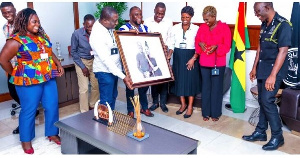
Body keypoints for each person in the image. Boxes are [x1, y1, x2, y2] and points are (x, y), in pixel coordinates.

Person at [0, 8, 64, 154]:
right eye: (34, 21)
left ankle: (52, 133)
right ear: (24, 22)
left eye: (38, 21)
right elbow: (3, 59)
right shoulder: (16, 40)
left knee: (52, 105)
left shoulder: (42, 35)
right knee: (29, 110)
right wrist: (15, 74)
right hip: (28, 82)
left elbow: (49, 51)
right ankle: (26, 141)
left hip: (48, 77)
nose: (37, 24)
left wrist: (58, 64)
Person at [242, 2, 292, 151]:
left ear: (267, 8)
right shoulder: (264, 23)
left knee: (267, 101)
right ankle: (260, 131)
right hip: (262, 69)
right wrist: (254, 67)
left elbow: (283, 51)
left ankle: (278, 136)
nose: (256, 14)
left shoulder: (283, 25)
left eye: (258, 11)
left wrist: (272, 75)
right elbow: (260, 47)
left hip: (274, 71)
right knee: (262, 101)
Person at [90, 7, 130, 112]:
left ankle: (109, 117)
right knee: (106, 100)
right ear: (105, 20)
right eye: (114, 21)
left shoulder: (108, 26)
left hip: (114, 70)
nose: (117, 23)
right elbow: (106, 60)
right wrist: (123, 77)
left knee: (113, 95)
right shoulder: (97, 35)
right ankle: (104, 122)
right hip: (104, 71)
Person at [195, 6, 231, 122]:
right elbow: (197, 41)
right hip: (204, 62)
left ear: (214, 17)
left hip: (217, 63)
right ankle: (205, 112)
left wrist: (217, 46)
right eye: (204, 19)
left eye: (207, 19)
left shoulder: (224, 28)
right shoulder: (202, 28)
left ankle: (215, 113)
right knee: (205, 88)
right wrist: (200, 44)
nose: (205, 22)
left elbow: (227, 46)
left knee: (216, 88)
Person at [119, 6, 154, 118]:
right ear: (130, 16)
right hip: (129, 63)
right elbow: (121, 42)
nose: (139, 17)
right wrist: (130, 33)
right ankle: (130, 110)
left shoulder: (145, 28)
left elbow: (148, 43)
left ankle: (144, 107)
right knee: (130, 88)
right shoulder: (124, 28)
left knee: (144, 86)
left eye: (140, 14)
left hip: (143, 61)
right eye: (136, 14)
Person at [167, 6, 201, 118]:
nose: (185, 19)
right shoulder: (175, 28)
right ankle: (183, 105)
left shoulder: (197, 29)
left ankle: (190, 106)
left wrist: (193, 58)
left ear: (191, 17)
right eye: (183, 17)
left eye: (187, 17)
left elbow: (199, 46)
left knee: (190, 82)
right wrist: (169, 55)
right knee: (179, 81)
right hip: (178, 56)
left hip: (191, 56)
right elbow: (171, 43)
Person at [144, 2, 173, 113]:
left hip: (164, 55)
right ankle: (155, 102)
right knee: (154, 79)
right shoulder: (147, 21)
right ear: (154, 10)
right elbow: (145, 38)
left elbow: (170, 38)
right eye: (158, 13)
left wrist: (169, 52)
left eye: (162, 13)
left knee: (165, 79)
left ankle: (163, 103)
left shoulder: (168, 21)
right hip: (152, 55)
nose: (160, 15)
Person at [70, 14, 99, 113]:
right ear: (84, 24)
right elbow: (73, 52)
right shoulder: (76, 34)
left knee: (96, 85)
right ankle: (84, 111)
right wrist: (83, 67)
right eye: (88, 26)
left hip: (94, 61)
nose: (91, 29)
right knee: (84, 88)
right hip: (81, 61)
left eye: (92, 26)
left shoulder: (97, 33)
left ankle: (93, 105)